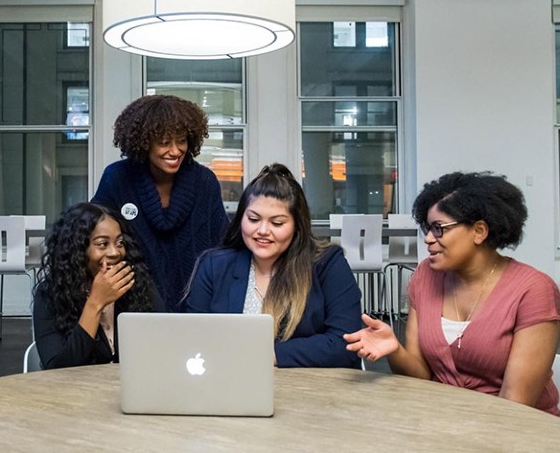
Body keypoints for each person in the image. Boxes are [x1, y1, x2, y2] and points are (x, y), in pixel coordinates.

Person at [344, 172, 560, 415]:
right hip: (441, 421)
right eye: (427, 229)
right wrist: (395, 350)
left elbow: (515, 405)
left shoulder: (534, 290)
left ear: (479, 231)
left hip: (514, 432)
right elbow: (420, 378)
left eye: (439, 228)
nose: (429, 239)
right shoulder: (425, 277)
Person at [185, 164, 363, 368]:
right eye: (253, 219)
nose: (262, 230)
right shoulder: (214, 266)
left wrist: (266, 354)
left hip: (311, 391)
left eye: (277, 223)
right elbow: (193, 337)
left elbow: (345, 344)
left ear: (297, 226)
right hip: (228, 386)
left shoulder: (327, 264)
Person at [92, 94, 229, 312]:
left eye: (181, 140)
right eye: (164, 142)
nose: (175, 151)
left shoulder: (204, 182)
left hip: (197, 305)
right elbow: (91, 236)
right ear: (144, 143)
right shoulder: (117, 178)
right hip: (131, 305)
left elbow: (222, 245)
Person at [32, 203, 163, 369]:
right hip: (76, 391)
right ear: (77, 249)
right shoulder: (50, 294)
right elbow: (58, 369)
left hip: (133, 388)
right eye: (102, 244)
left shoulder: (137, 285)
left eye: (120, 243)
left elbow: (163, 343)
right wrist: (95, 303)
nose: (115, 252)